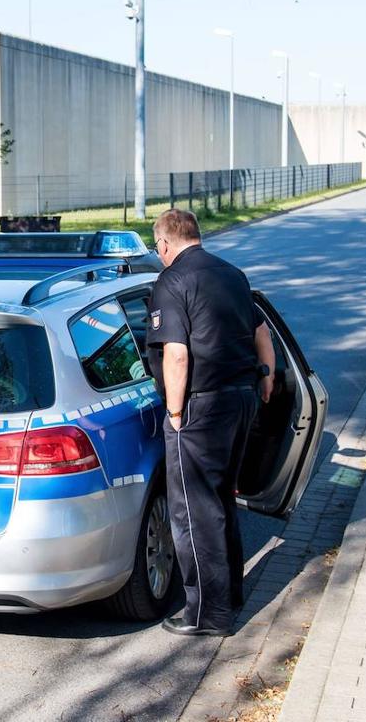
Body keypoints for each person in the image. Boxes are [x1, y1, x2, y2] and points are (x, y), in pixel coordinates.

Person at [146, 208, 274, 637]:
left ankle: (207, 615)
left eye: (157, 247)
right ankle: (229, 596)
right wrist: (268, 378)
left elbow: (176, 353)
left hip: (200, 409)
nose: (158, 253)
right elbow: (263, 334)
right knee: (220, 502)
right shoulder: (233, 274)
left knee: (194, 512)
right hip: (241, 400)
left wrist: (176, 412)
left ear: (164, 243)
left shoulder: (172, 280)